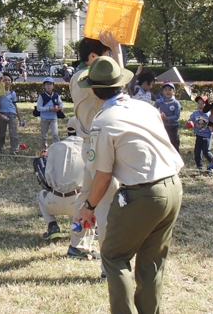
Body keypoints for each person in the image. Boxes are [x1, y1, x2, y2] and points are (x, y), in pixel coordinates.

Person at [74, 56, 184, 314]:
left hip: (143, 193)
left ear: (92, 90)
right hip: (173, 186)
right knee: (152, 262)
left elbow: (103, 176)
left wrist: (88, 207)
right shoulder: (145, 107)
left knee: (113, 256)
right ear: (121, 84)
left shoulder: (103, 122)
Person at [70, 34, 123, 279]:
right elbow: (119, 85)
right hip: (100, 146)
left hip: (89, 145)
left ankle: (78, 243)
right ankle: (108, 267)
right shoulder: (87, 78)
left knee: (87, 197)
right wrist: (117, 47)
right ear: (93, 57)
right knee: (106, 207)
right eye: (106, 56)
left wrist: (114, 48)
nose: (109, 61)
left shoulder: (77, 76)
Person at [37, 116, 98, 259]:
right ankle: (90, 236)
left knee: (41, 195)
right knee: (97, 199)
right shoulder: (88, 148)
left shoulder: (54, 147)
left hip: (54, 202)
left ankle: (52, 225)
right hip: (79, 206)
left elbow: (47, 176)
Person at [0, 72, 23, 155]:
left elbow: (15, 105)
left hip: (12, 114)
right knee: (1, 132)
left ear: (11, 82)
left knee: (13, 133)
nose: (7, 82)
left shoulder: (13, 93)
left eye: (9, 80)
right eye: (5, 80)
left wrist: (19, 118)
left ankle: (14, 149)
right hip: (2, 114)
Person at [36, 77, 63, 155]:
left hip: (53, 118)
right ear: (44, 86)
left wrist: (59, 107)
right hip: (44, 118)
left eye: (50, 84)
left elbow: (61, 103)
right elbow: (39, 108)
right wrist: (49, 108)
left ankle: (58, 149)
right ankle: (44, 149)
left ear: (53, 86)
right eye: (47, 84)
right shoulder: (42, 96)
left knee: (55, 134)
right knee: (44, 136)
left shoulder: (56, 95)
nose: (48, 86)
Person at [187, 95, 213, 171]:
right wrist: (190, 122)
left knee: (206, 151)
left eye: (203, 103)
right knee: (197, 152)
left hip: (207, 136)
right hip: (199, 135)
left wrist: (212, 128)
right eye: (199, 103)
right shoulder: (195, 113)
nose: (200, 105)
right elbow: (190, 119)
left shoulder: (209, 114)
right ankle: (200, 167)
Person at [154, 81, 181, 152]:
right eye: (165, 90)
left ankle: (176, 159)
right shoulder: (160, 101)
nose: (167, 92)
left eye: (170, 90)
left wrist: (167, 118)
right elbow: (154, 109)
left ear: (174, 92)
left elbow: (177, 116)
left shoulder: (176, 103)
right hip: (163, 126)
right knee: (163, 143)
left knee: (174, 143)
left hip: (173, 127)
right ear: (162, 92)